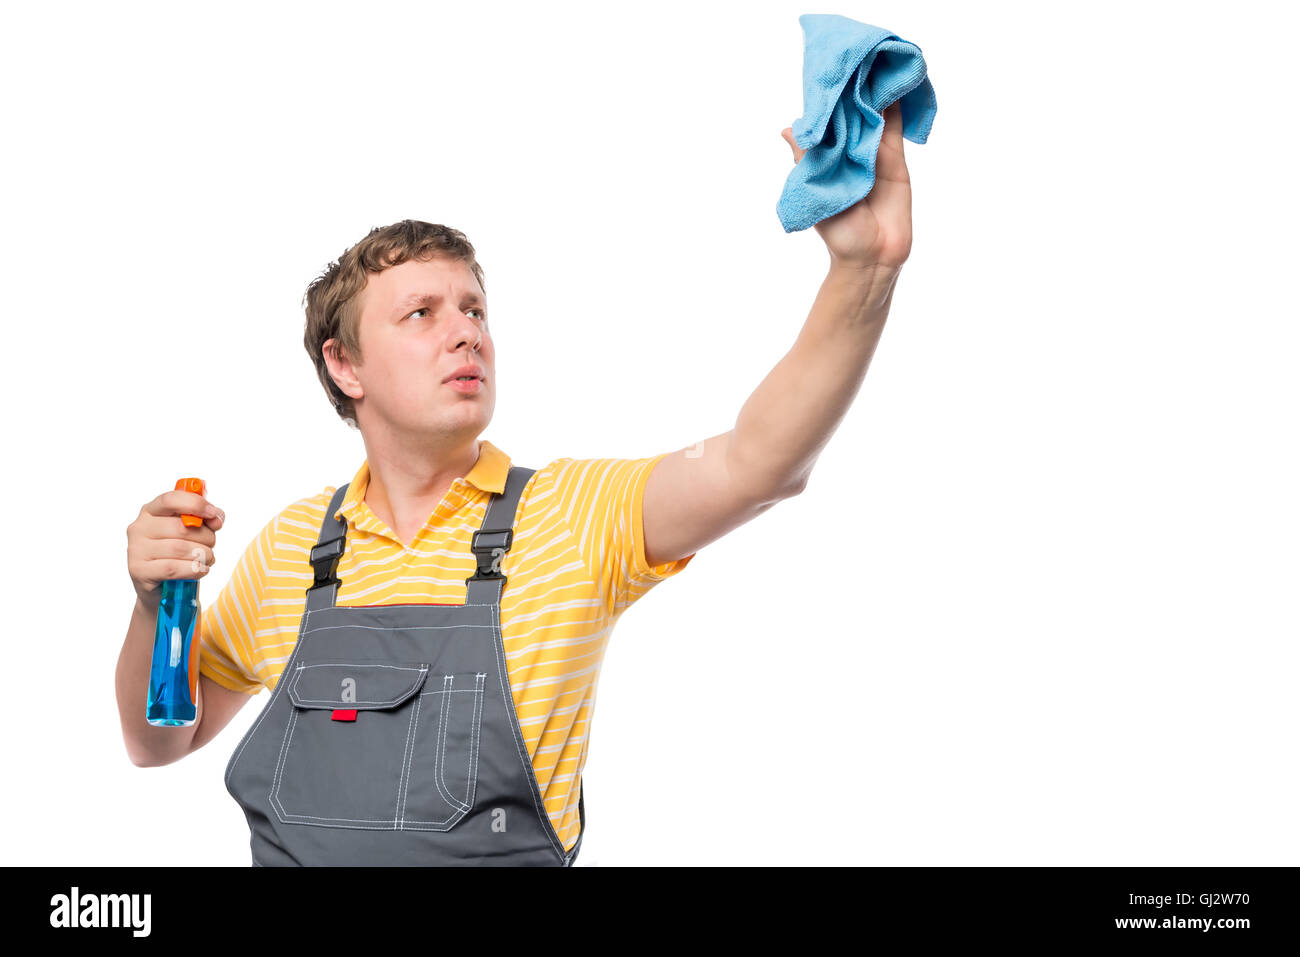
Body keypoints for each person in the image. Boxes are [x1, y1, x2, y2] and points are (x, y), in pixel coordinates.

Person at [117, 103, 912, 865]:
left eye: (474, 308)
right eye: (422, 314)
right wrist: (154, 605)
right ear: (343, 363)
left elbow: (757, 463)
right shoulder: (294, 546)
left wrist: (864, 270)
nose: (466, 329)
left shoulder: (567, 515)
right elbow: (159, 743)